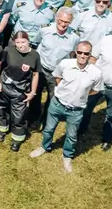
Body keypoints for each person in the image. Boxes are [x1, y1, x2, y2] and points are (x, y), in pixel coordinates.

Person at [29, 41, 103, 171]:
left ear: (90, 55)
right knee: (48, 128)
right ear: (75, 52)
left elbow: (95, 90)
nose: (82, 56)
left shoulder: (96, 73)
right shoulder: (65, 64)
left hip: (76, 110)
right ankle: (44, 147)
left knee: (72, 135)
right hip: (57, 103)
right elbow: (57, 78)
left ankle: (67, 155)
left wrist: (81, 94)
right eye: (79, 52)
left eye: (86, 53)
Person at [0, 30, 40, 151]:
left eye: (23, 42)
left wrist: (33, 92)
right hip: (4, 84)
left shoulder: (34, 55)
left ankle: (17, 139)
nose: (20, 45)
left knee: (18, 115)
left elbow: (35, 75)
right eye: (18, 42)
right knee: (1, 108)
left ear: (28, 41)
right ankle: (1, 130)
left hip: (20, 89)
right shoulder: (8, 50)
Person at [33, 8, 81, 117]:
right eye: (60, 20)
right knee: (35, 93)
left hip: (56, 73)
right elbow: (36, 42)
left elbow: (72, 55)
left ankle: (45, 120)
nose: (63, 24)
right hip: (41, 68)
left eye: (66, 22)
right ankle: (33, 117)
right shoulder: (44, 29)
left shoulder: (75, 37)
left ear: (71, 22)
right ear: (56, 18)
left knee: (53, 98)